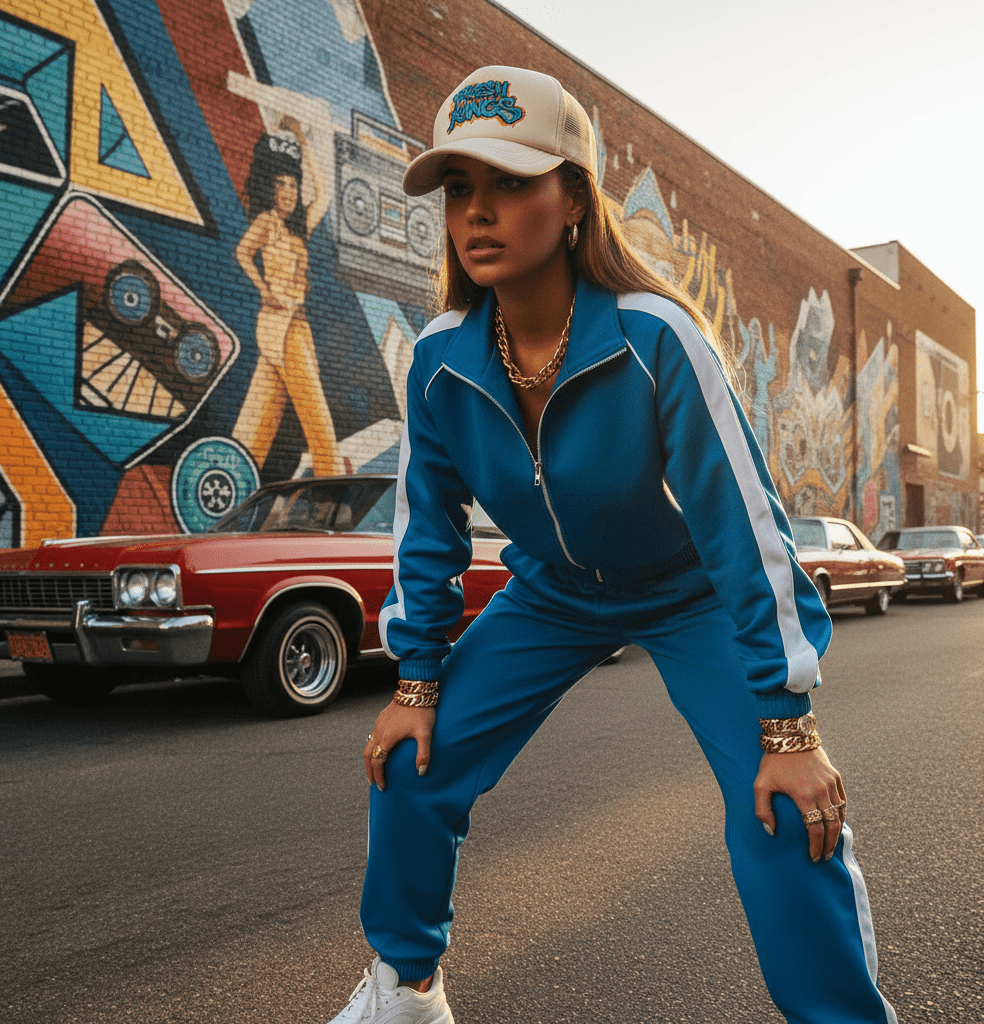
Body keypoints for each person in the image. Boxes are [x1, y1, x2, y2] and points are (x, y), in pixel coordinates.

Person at [331, 66, 898, 1024]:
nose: (478, 211)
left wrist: (788, 724)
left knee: (782, 809)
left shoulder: (657, 337)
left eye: (511, 182)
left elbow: (747, 529)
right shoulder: (439, 360)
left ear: (573, 202)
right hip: (552, 594)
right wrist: (415, 681)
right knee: (410, 762)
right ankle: (408, 991)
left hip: (689, 592)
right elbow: (426, 529)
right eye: (461, 187)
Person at [234, 117, 339, 477]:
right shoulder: (267, 223)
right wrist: (264, 290)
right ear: (271, 189)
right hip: (283, 326)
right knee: (319, 424)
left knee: (253, 431)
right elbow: (243, 252)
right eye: (282, 185)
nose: (290, 192)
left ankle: (230, 493)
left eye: (293, 185)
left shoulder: (300, 228)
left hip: (293, 324)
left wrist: (302, 141)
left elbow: (323, 193)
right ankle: (333, 496)